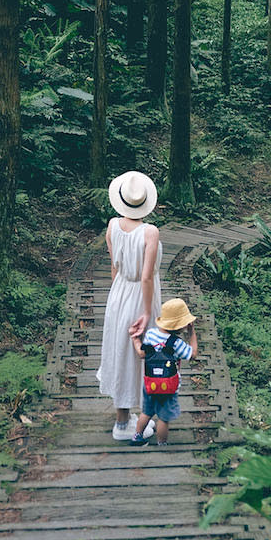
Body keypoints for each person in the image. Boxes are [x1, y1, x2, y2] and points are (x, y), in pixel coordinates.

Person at [96, 170, 162, 441]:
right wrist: (147, 312)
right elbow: (146, 276)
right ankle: (129, 424)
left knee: (121, 350)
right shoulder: (150, 232)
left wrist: (116, 297)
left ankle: (123, 419)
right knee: (143, 353)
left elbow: (115, 267)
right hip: (140, 294)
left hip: (119, 290)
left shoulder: (112, 225)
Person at [129, 298, 198, 446]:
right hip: (169, 387)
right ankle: (162, 443)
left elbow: (142, 354)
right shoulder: (177, 344)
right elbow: (193, 354)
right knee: (163, 418)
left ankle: (137, 436)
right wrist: (192, 333)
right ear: (179, 326)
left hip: (150, 384)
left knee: (146, 413)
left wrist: (136, 340)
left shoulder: (151, 334)